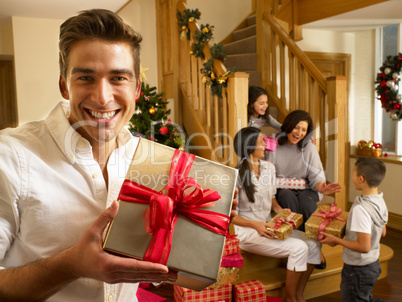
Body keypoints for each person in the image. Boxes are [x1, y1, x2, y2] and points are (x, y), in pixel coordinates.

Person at [0, 9, 237, 302]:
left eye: (118, 78)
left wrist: (204, 229)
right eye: (85, 77)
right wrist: (71, 265)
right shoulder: (10, 155)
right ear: (64, 86)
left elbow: (167, 275)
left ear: (137, 87)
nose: (102, 97)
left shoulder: (151, 162)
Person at [232, 127, 321, 302]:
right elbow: (230, 216)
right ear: (249, 146)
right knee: (300, 248)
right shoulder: (236, 175)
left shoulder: (269, 168)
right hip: (246, 231)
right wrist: (254, 225)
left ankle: (298, 295)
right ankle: (290, 298)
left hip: (268, 225)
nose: (265, 144)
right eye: (260, 141)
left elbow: (272, 198)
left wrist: (281, 211)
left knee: (314, 244)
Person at [267, 110, 341, 269]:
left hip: (307, 188)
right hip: (283, 188)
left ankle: (316, 249)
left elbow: (316, 177)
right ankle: (296, 248)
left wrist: (323, 187)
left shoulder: (309, 147)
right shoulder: (274, 145)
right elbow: (269, 175)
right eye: (296, 127)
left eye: (304, 130)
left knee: (307, 204)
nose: (299, 133)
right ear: (288, 126)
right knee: (288, 199)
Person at [321, 157, 388, 302]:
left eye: (354, 173)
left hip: (358, 270)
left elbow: (364, 247)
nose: (352, 177)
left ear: (361, 179)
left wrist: (336, 240)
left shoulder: (361, 209)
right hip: (372, 264)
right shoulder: (379, 200)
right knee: (365, 298)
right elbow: (382, 232)